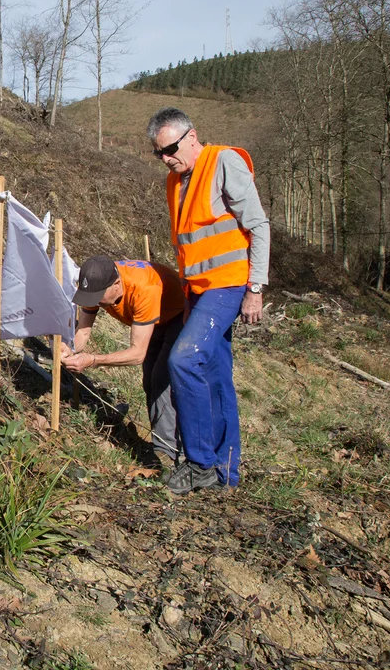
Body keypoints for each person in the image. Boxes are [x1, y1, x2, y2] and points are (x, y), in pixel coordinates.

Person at [146, 107, 270, 494]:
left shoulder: (223, 161)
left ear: (192, 137)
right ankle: (225, 474)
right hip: (198, 292)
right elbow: (187, 247)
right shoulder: (175, 181)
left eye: (170, 149)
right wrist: (187, 296)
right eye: (158, 153)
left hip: (229, 284)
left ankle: (200, 463)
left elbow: (258, 225)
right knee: (216, 376)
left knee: (183, 360)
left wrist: (255, 288)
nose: (166, 159)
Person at [61, 255, 186, 466]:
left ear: (117, 284)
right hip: (151, 320)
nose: (95, 302)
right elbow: (83, 333)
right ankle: (166, 444)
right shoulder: (97, 282)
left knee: (162, 379)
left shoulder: (144, 288)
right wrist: (69, 348)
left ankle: (171, 452)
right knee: (150, 382)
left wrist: (93, 360)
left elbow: (137, 354)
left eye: (98, 297)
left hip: (179, 316)